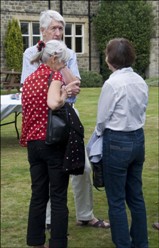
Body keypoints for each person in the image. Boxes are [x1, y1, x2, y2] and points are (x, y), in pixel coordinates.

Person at [21, 10, 110, 229]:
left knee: (83, 167)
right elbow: (30, 86)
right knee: (51, 169)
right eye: (54, 28)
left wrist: (62, 63)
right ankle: (50, 219)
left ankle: (85, 214)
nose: (59, 32)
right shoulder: (31, 52)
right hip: (45, 116)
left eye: (61, 28)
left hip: (68, 113)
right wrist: (61, 89)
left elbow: (76, 88)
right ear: (42, 30)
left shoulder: (68, 53)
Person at [20, 40, 82, 248]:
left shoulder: (29, 79)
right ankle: (57, 243)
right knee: (57, 196)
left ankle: (35, 241)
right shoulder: (53, 75)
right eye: (63, 63)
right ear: (54, 59)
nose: (63, 67)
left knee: (38, 194)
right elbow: (53, 103)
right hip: (52, 142)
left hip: (33, 144)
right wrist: (64, 95)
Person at [94, 38, 149, 247]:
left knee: (116, 200)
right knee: (136, 196)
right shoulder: (140, 80)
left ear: (110, 58)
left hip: (117, 140)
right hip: (137, 138)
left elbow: (101, 118)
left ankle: (124, 245)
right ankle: (141, 243)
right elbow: (142, 108)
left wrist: (98, 135)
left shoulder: (112, 83)